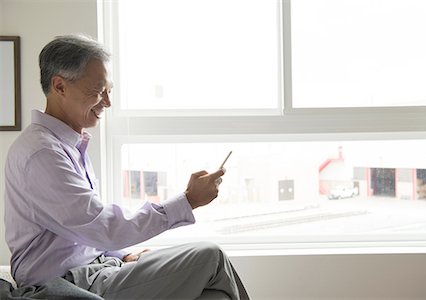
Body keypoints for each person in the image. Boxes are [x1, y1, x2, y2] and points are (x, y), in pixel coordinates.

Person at [4, 34, 249, 300]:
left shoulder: (67, 145)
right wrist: (188, 200)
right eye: (98, 91)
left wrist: (121, 254)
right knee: (210, 258)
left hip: (95, 270)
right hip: (67, 284)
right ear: (60, 86)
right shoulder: (42, 154)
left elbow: (80, 232)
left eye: (109, 90)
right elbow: (101, 226)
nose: (107, 102)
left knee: (215, 295)